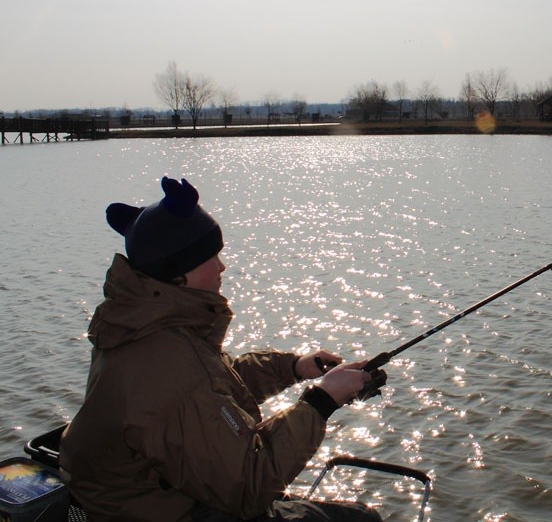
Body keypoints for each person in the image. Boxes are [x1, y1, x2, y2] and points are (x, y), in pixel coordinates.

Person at [60, 176, 386, 521]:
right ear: (179, 272)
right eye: (211, 257)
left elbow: (213, 384)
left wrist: (294, 368)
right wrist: (321, 401)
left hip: (148, 497)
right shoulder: (167, 362)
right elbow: (248, 484)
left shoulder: (143, 324)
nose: (222, 266)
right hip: (168, 510)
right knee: (364, 519)